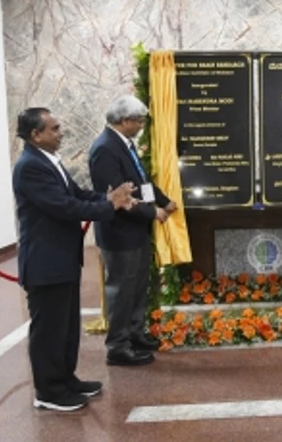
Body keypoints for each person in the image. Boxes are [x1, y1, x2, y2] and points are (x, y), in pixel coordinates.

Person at [12, 107, 135, 411]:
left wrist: (107, 198)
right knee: (48, 330)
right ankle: (48, 391)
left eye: (59, 127)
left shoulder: (47, 160)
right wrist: (111, 207)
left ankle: (65, 378)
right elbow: (64, 207)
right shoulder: (29, 166)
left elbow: (78, 193)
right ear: (35, 135)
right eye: (53, 129)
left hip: (61, 259)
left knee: (65, 326)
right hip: (45, 261)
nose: (60, 132)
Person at [89, 95, 176, 366]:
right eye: (138, 120)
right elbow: (119, 196)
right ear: (124, 120)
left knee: (137, 286)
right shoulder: (105, 148)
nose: (141, 125)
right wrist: (153, 212)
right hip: (119, 233)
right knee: (121, 289)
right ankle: (117, 346)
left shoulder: (124, 145)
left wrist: (163, 201)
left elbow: (141, 182)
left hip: (136, 231)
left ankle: (135, 334)